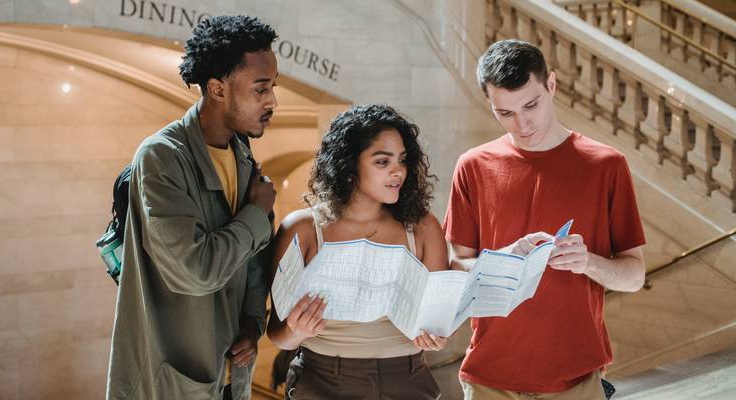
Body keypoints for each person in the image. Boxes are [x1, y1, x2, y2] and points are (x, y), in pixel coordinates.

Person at [443, 39, 646, 400]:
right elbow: (454, 269)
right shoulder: (472, 166)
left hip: (577, 381)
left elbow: (634, 277)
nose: (522, 124)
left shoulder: (606, 165)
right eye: (504, 112)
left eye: (531, 105)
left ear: (551, 84)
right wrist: (501, 260)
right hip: (488, 379)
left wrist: (588, 262)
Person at [106, 15, 278, 400]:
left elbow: (251, 259)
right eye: (261, 89)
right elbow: (194, 271)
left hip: (234, 378)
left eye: (274, 88)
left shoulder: (242, 153)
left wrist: (252, 324)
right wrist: (256, 213)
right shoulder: (162, 156)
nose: (272, 102)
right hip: (176, 380)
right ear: (218, 89)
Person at [267, 104, 448, 399]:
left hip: (406, 380)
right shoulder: (301, 229)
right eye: (382, 161)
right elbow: (277, 334)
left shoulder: (424, 228)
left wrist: (435, 337)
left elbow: (438, 323)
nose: (397, 171)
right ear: (349, 165)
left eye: (402, 160)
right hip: (322, 380)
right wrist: (296, 332)